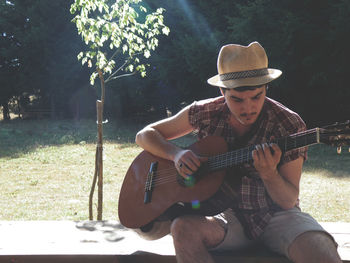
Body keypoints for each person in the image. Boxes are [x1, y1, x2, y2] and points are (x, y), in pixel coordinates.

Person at [135, 42, 341, 263]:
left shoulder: (288, 123)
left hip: (278, 216)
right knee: (182, 228)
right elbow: (145, 135)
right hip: (223, 215)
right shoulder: (205, 112)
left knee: (320, 250)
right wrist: (175, 154)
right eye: (237, 99)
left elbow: (288, 201)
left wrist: (270, 174)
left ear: (266, 89)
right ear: (222, 91)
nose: (248, 107)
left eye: (256, 97)